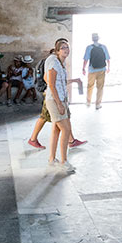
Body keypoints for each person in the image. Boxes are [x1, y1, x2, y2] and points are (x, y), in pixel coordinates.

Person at [44, 38, 76, 171]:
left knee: (56, 129)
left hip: (62, 99)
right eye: (63, 48)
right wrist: (59, 103)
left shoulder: (60, 63)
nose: (66, 50)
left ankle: (52, 158)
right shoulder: (53, 61)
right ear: (57, 50)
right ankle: (64, 161)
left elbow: (58, 82)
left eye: (67, 47)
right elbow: (50, 83)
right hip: (55, 100)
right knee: (66, 130)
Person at [82, 32, 110, 109]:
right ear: (98, 38)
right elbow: (107, 58)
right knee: (100, 87)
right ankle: (98, 104)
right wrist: (108, 68)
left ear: (92, 39)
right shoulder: (103, 47)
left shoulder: (89, 47)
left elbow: (86, 59)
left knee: (90, 86)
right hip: (102, 69)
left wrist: (83, 68)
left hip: (92, 70)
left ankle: (88, 102)